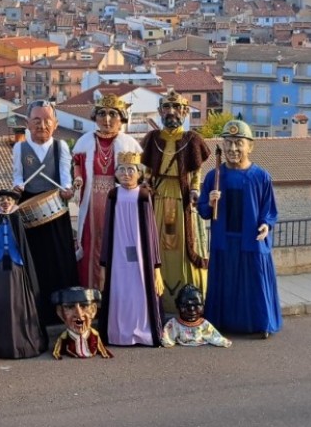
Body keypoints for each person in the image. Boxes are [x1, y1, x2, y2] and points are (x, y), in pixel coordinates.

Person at [198, 120, 282, 338]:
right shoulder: (213, 177)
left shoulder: (261, 177)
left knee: (254, 285)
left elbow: (269, 209)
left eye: (238, 143)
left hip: (251, 241)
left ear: (250, 146)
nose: (233, 149)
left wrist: (266, 224)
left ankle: (261, 323)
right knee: (224, 285)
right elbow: (204, 212)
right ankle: (221, 322)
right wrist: (210, 202)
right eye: (228, 143)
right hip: (223, 242)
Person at [141, 89, 210, 311]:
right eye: (167, 108)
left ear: (184, 112)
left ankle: (190, 298)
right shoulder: (152, 139)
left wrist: (195, 190)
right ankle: (158, 298)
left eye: (176, 108)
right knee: (157, 245)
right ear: (161, 111)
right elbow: (148, 169)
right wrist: (145, 184)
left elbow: (197, 172)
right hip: (159, 198)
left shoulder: (193, 139)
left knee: (184, 247)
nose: (171, 112)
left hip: (183, 200)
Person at [13, 100, 78, 325]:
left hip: (56, 208)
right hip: (30, 205)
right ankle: (35, 313)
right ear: (27, 124)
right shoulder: (19, 148)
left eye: (47, 120)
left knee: (60, 259)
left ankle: (64, 310)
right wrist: (17, 186)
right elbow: (18, 177)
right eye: (36, 120)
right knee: (34, 261)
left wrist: (68, 190)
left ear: (56, 123)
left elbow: (65, 177)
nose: (42, 125)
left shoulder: (61, 147)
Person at [72, 93, 142, 289]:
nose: (107, 119)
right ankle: (92, 292)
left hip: (119, 201)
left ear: (122, 119)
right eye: (102, 113)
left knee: (118, 243)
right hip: (91, 201)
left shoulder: (130, 144)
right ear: (95, 117)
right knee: (91, 244)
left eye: (113, 114)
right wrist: (77, 179)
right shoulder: (85, 141)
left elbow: (140, 176)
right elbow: (77, 166)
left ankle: (116, 293)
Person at [97, 153, 164, 347]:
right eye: (122, 169)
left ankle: (143, 331)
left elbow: (151, 231)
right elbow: (107, 229)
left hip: (141, 252)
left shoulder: (143, 195)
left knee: (139, 289)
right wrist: (104, 264)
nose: (126, 174)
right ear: (116, 173)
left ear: (139, 173)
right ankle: (118, 332)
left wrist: (156, 266)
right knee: (120, 289)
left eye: (131, 170)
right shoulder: (113, 195)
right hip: (118, 251)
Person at [0, 188, 46, 359]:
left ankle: (21, 342)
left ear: (13, 202)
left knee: (18, 304)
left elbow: (24, 245)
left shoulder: (18, 220)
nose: (5, 203)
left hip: (17, 267)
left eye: (8, 200)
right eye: (1, 200)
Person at [161, 284, 232, 348]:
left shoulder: (204, 324)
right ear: (177, 305)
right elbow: (166, 338)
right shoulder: (173, 324)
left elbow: (215, 336)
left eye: (196, 305)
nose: (192, 309)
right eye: (186, 305)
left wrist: (222, 341)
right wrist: (167, 341)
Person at [50, 287, 112, 360]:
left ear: (93, 310)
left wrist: (104, 353)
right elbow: (57, 348)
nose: (79, 314)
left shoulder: (94, 335)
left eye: (84, 306)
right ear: (60, 313)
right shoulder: (64, 338)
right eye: (70, 307)